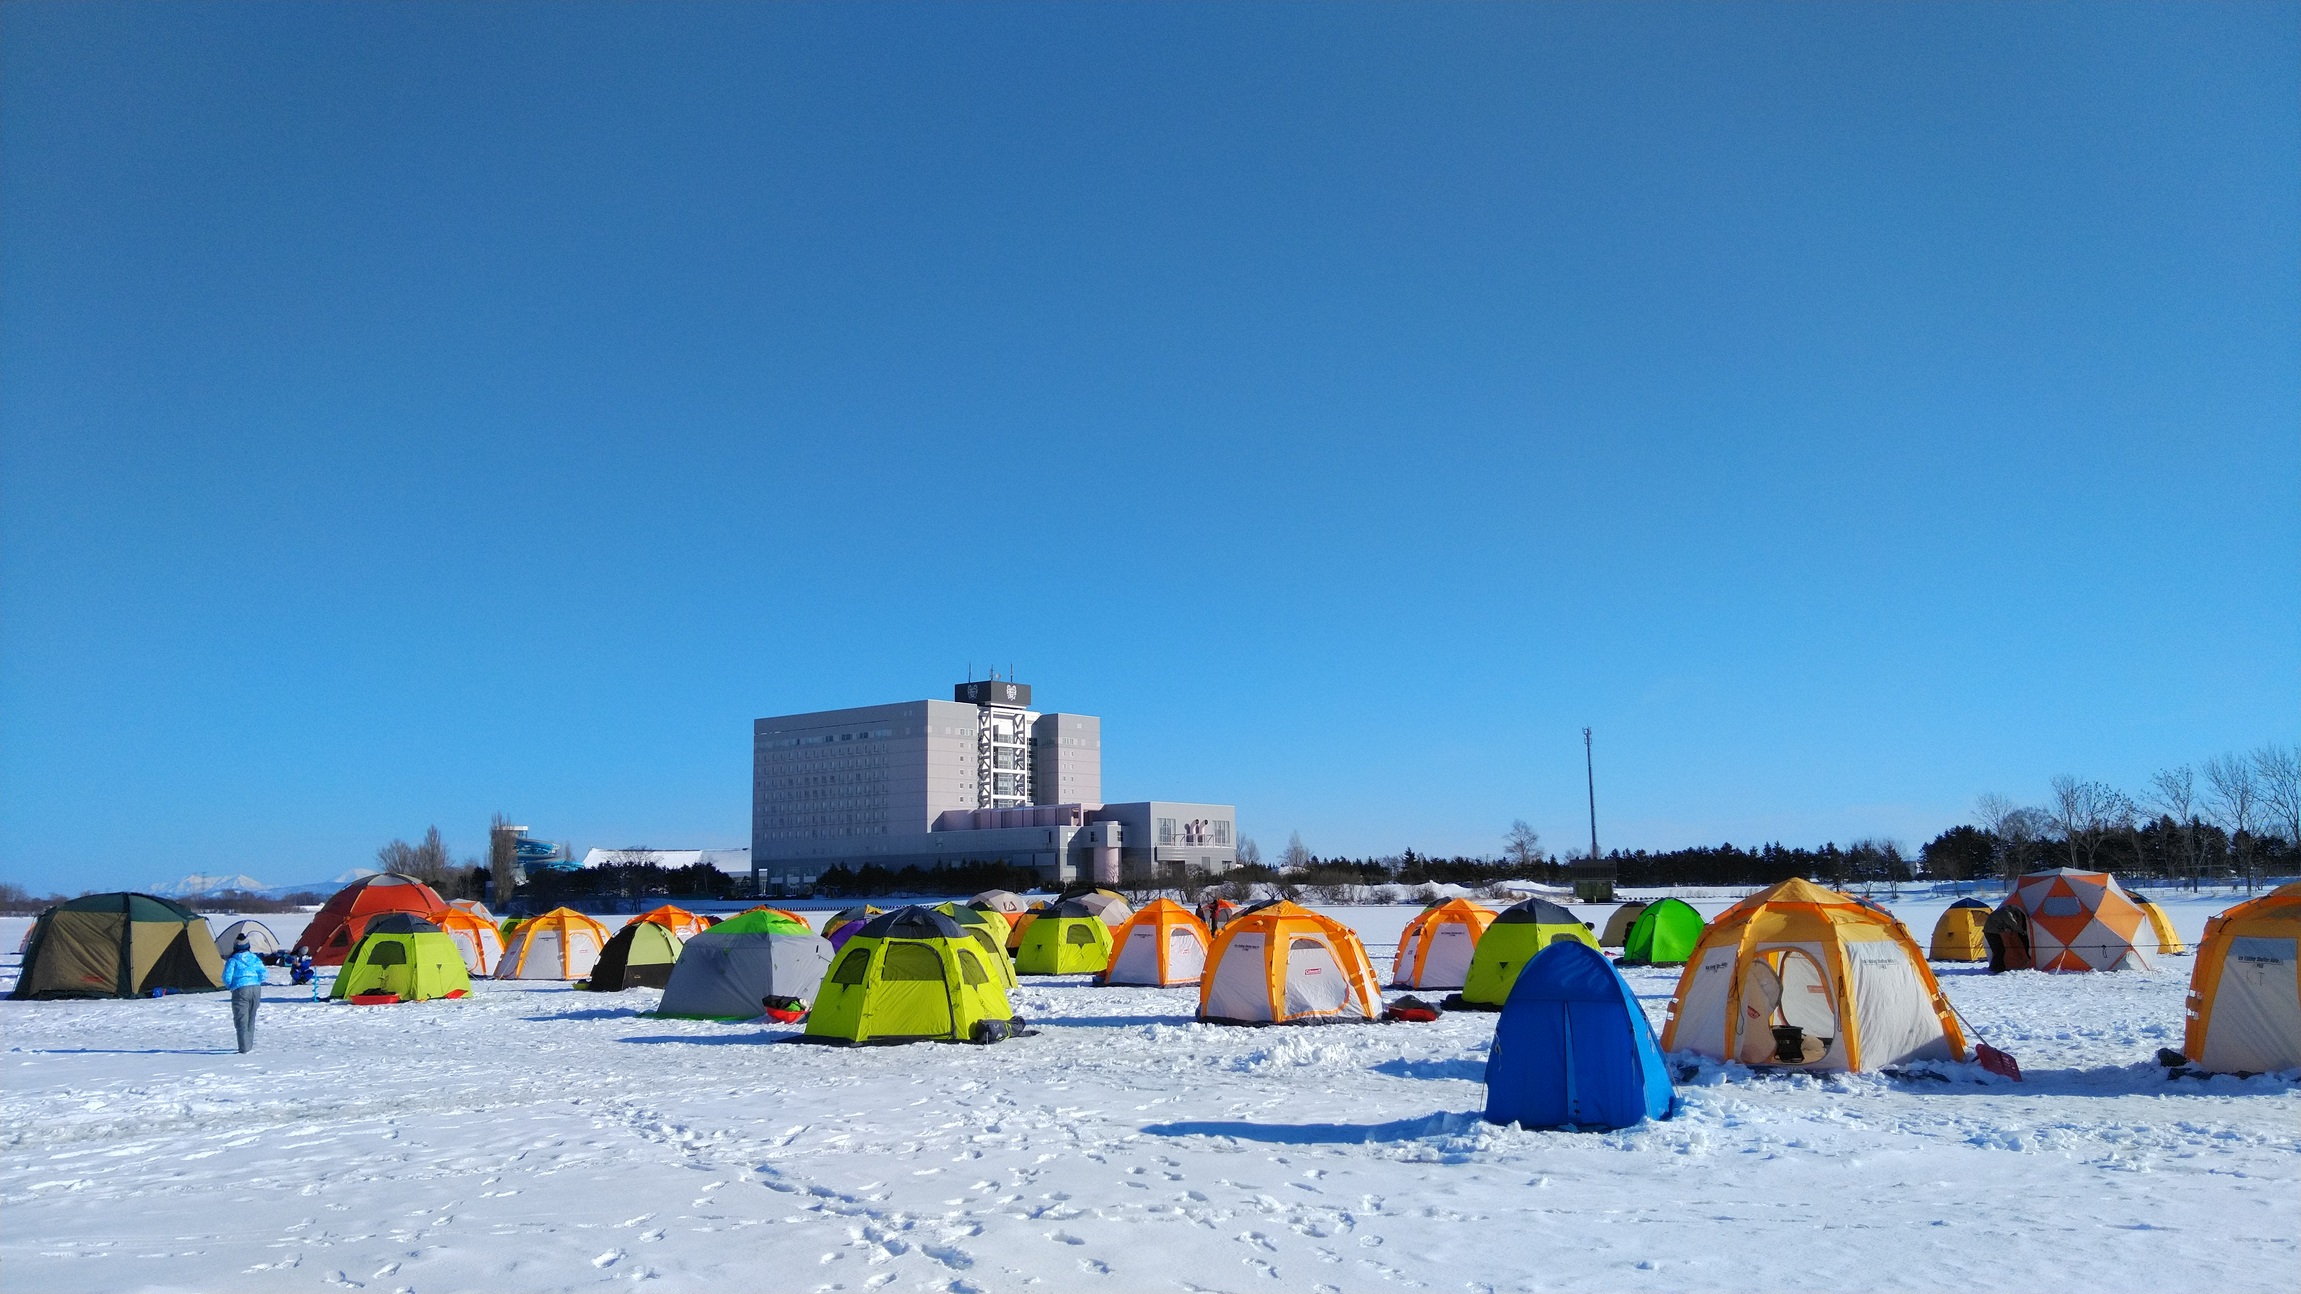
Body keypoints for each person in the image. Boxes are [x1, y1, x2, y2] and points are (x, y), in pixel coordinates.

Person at [222, 935, 267, 1053]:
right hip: (256, 989)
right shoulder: (255, 958)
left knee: (241, 1019)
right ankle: (249, 1045)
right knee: (251, 1017)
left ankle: (244, 1048)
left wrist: (231, 986)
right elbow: (264, 974)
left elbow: (226, 977)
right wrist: (256, 981)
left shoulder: (233, 960)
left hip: (240, 989)